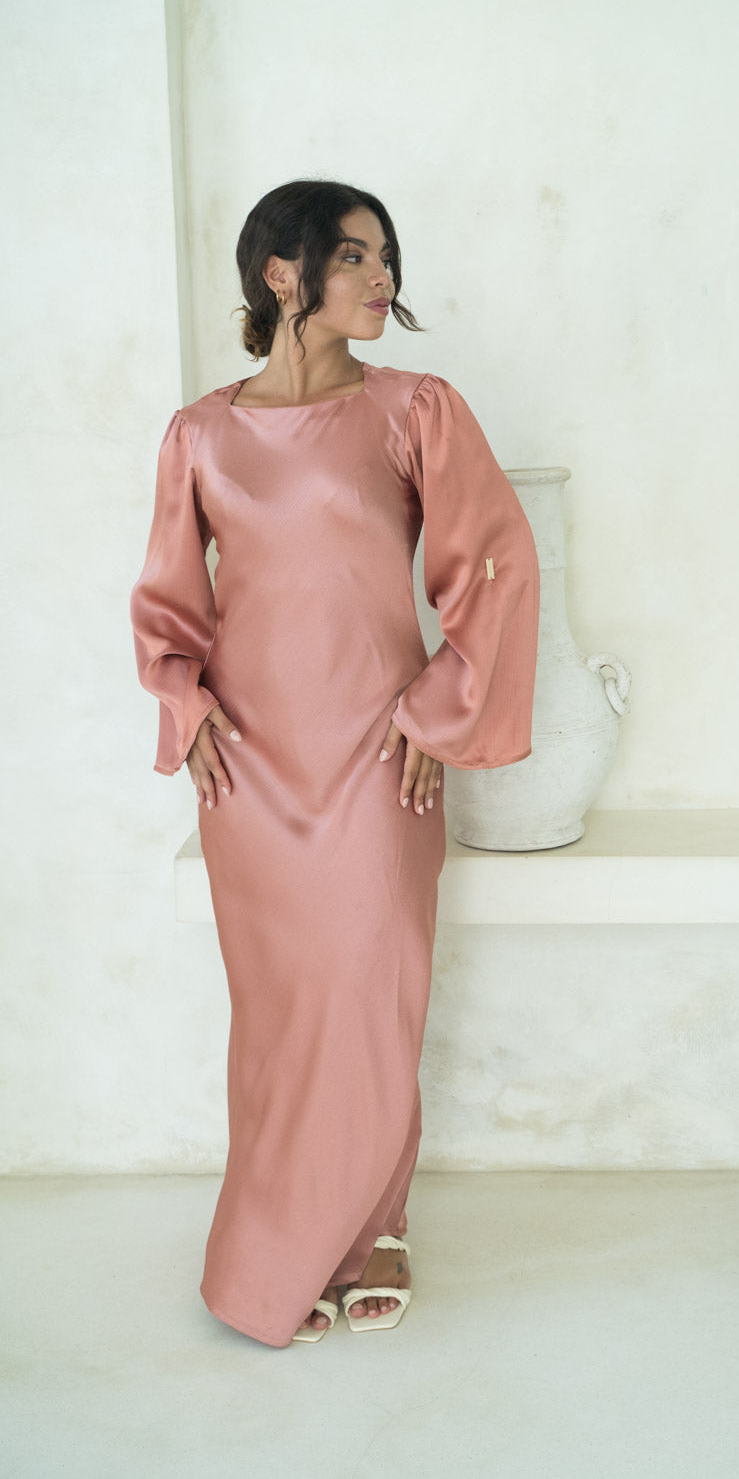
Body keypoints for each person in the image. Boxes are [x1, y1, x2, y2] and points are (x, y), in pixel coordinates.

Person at [129, 179, 541, 1345]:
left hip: (376, 755)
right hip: (250, 770)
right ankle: (278, 1244)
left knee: (372, 990)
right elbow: (168, 600)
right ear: (281, 273)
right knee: (278, 1014)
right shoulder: (199, 435)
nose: (381, 278)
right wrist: (182, 704)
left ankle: (374, 1228)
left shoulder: (415, 410)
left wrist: (437, 713)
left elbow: (496, 566)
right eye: (355, 256)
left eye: (384, 259)